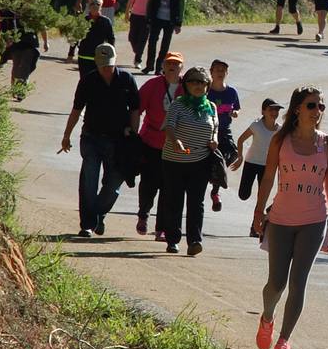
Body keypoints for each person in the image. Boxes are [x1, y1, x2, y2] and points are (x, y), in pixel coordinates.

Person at [252, 86, 328, 349]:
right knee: (276, 283)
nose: (318, 112)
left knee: (298, 283)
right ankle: (267, 317)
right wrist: (258, 210)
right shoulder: (281, 140)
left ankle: (284, 341)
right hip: (280, 219)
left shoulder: (327, 143)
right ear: (298, 109)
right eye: (312, 106)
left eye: (321, 106)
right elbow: (268, 177)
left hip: (314, 220)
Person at [59, 43, 140, 237]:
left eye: (110, 64)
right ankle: (87, 224)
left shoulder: (127, 80)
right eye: (103, 64)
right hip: (91, 138)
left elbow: (135, 109)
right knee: (89, 179)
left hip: (119, 141)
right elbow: (76, 110)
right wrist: (66, 135)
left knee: (113, 184)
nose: (106, 68)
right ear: (96, 62)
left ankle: (98, 214)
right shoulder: (88, 81)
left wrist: (133, 133)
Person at [158, 65, 219, 255]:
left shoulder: (211, 107)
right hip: (174, 161)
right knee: (174, 201)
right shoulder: (178, 104)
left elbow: (215, 128)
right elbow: (168, 126)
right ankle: (173, 240)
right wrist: (175, 140)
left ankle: (194, 241)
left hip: (200, 161)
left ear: (208, 86)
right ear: (186, 85)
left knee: (196, 203)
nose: (198, 86)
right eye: (194, 82)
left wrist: (215, 139)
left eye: (202, 82)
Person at [134, 52, 183, 238]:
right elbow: (137, 109)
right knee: (148, 183)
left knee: (168, 187)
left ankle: (161, 227)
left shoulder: (187, 86)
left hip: (173, 145)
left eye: (176, 64)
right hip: (150, 142)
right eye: (169, 63)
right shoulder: (152, 85)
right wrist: (133, 134)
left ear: (181, 68)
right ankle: (143, 215)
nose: (172, 66)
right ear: (163, 66)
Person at [232, 98, 282, 235]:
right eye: (271, 109)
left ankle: (255, 227)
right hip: (251, 163)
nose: (274, 112)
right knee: (243, 194)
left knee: (262, 197)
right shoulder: (256, 126)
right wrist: (240, 157)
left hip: (267, 166)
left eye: (277, 110)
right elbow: (241, 140)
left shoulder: (280, 130)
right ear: (263, 111)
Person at [206, 59, 241, 213]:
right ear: (211, 72)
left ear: (227, 73)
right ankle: (214, 189)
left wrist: (235, 113)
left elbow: (237, 108)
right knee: (212, 160)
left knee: (233, 154)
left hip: (224, 130)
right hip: (207, 130)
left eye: (223, 70)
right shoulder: (206, 91)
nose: (220, 73)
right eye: (217, 70)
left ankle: (215, 186)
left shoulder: (231, 92)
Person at [0, 8, 47, 99]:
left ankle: (20, 90)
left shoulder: (33, 13)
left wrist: (45, 42)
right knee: (16, 68)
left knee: (24, 68)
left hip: (30, 45)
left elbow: (42, 27)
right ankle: (14, 88)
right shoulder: (12, 13)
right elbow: (5, 27)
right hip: (16, 45)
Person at [144, 0, 184, 74]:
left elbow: (181, 6)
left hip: (170, 20)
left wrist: (178, 23)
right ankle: (149, 66)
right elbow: (150, 2)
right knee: (152, 42)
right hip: (156, 18)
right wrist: (148, 18)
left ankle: (159, 67)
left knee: (165, 44)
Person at [75, 0, 115, 77]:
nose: (94, 5)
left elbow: (111, 39)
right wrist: (71, 53)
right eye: (92, 3)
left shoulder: (106, 22)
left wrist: (111, 56)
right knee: (84, 81)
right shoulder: (83, 20)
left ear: (101, 7)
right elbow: (75, 37)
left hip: (99, 57)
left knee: (97, 82)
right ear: (89, 6)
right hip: (84, 55)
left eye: (97, 4)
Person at [124, 0, 156, 64]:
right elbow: (131, 0)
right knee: (132, 37)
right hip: (135, 15)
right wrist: (127, 13)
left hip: (146, 17)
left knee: (142, 39)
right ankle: (137, 51)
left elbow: (155, 5)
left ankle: (138, 60)